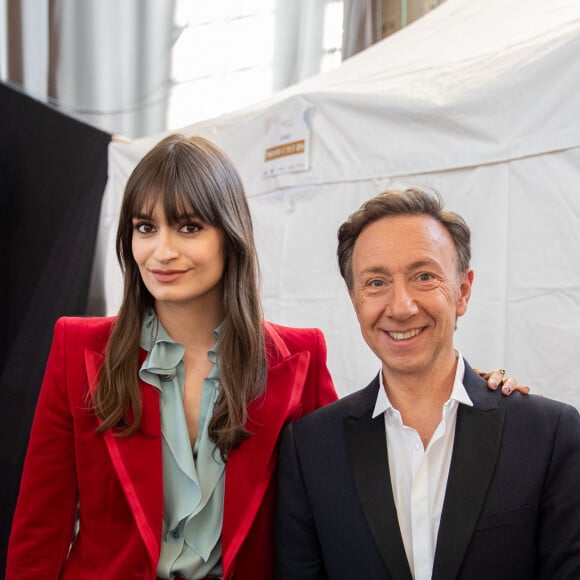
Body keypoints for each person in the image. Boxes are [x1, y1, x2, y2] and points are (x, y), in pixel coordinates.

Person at [6, 138, 519, 580]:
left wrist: (478, 390)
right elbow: (40, 530)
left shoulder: (298, 357)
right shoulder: (79, 348)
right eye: (145, 227)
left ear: (229, 236)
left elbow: (364, 465)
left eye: (187, 227)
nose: (161, 251)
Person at [275, 188, 580, 579]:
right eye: (376, 283)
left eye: (424, 277)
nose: (401, 307)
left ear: (463, 292)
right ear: (354, 300)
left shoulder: (547, 434)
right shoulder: (311, 449)